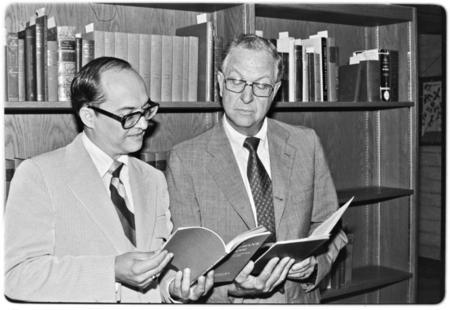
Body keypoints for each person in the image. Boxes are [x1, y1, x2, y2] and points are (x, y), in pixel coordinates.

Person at [4, 57, 213, 303]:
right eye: (129, 115)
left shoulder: (153, 179)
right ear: (89, 116)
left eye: (146, 110)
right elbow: (17, 276)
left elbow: (159, 270)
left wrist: (174, 290)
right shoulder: (38, 175)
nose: (143, 124)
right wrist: (111, 271)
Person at [166, 34, 348, 303]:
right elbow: (186, 264)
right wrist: (235, 289)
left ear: (274, 91)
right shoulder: (186, 158)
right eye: (237, 81)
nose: (247, 96)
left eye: (261, 85)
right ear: (220, 83)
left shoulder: (305, 143)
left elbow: (332, 229)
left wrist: (313, 265)